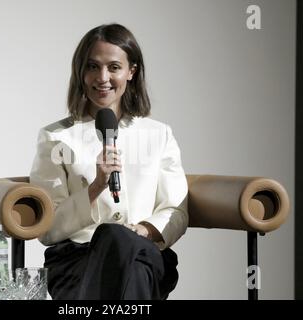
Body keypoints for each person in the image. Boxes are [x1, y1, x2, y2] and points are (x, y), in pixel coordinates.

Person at [30, 23, 188, 300]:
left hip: (147, 251)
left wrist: (145, 230)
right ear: (81, 73)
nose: (102, 77)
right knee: (125, 256)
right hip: (77, 263)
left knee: (126, 246)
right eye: (92, 66)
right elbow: (48, 227)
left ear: (131, 72)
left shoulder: (158, 135)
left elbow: (176, 210)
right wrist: (95, 187)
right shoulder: (56, 137)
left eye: (114, 67)